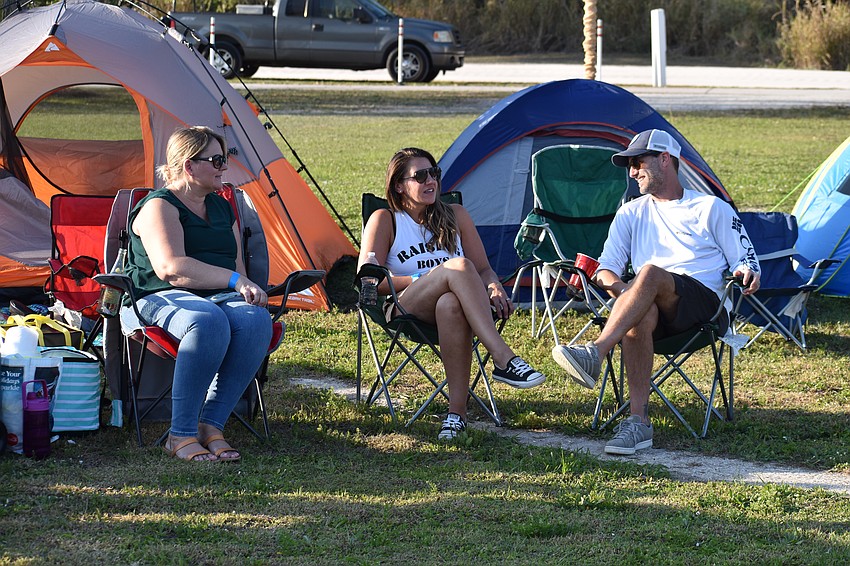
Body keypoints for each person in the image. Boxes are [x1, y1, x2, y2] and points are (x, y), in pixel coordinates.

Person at [551, 129, 760, 455]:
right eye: (630, 165)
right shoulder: (630, 212)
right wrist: (626, 292)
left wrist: (747, 271)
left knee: (648, 273)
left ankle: (596, 352)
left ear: (665, 159)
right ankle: (638, 423)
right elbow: (605, 270)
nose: (632, 172)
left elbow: (746, 258)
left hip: (703, 308)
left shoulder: (709, 208)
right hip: (651, 307)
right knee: (640, 310)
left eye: (638, 162)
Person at [359, 147, 546, 440]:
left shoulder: (455, 215)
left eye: (434, 173)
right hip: (407, 305)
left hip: (456, 308)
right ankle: (502, 357)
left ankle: (456, 415)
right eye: (420, 176)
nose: (430, 180)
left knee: (450, 303)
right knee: (457, 265)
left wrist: (494, 285)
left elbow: (483, 269)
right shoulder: (386, 219)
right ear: (399, 184)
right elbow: (370, 281)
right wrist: (427, 277)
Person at [123, 126, 272, 462]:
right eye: (217, 159)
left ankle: (211, 424)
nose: (225, 166)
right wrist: (235, 281)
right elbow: (170, 267)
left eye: (226, 158)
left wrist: (243, 288)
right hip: (156, 295)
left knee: (255, 319)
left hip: (216, 295)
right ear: (189, 166)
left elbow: (235, 265)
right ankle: (180, 434)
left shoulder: (221, 207)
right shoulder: (159, 207)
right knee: (207, 320)